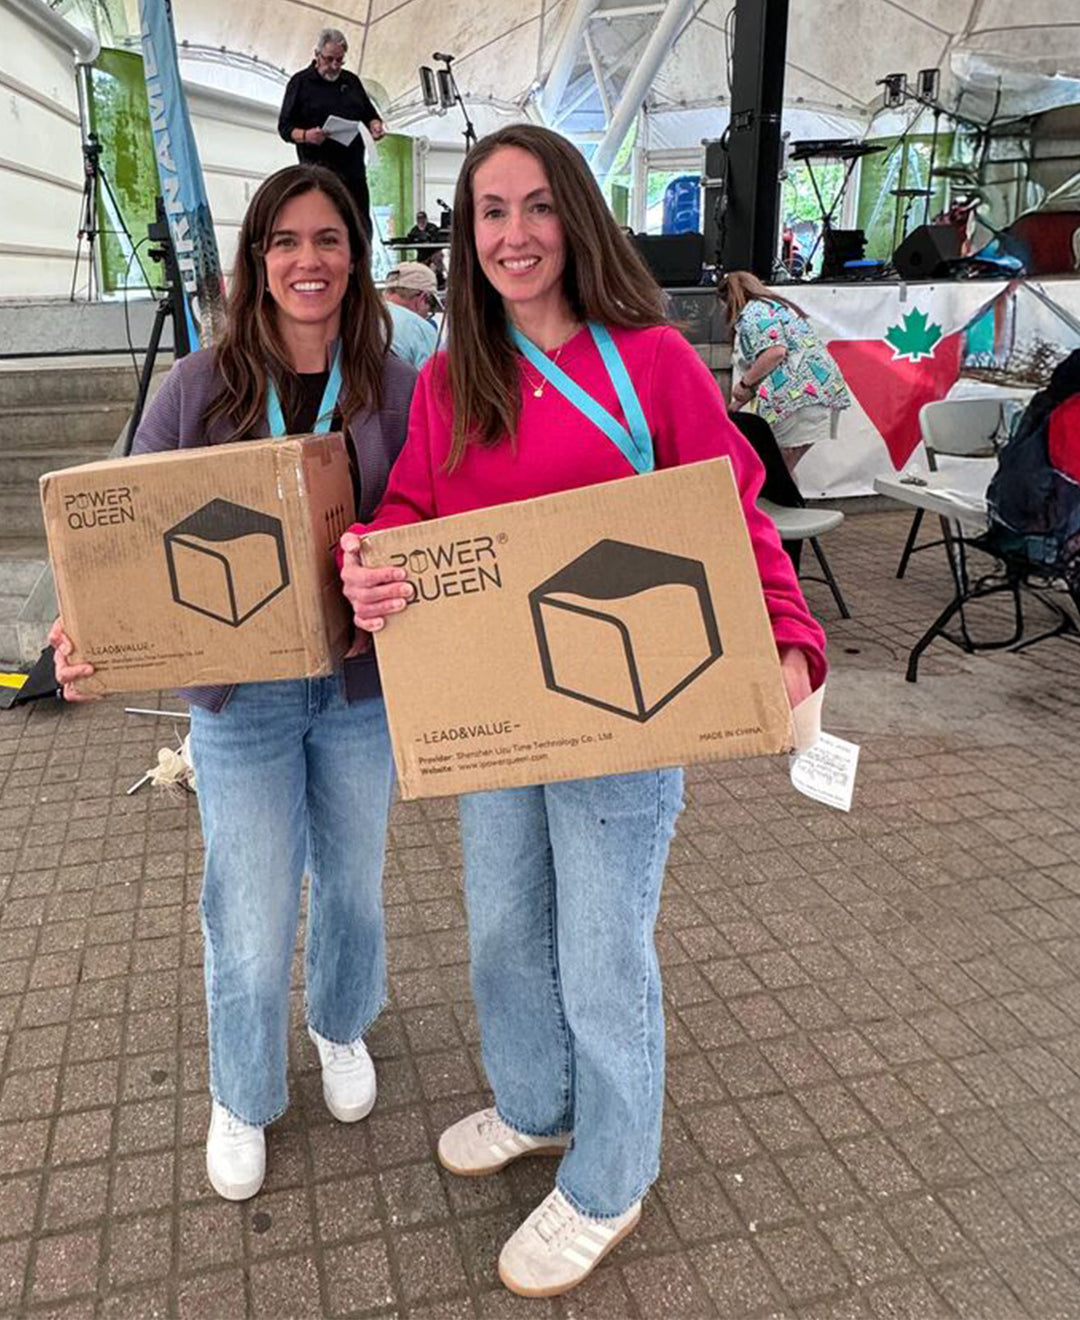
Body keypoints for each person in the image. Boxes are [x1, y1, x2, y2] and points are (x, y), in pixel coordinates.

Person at [339, 124, 827, 1297]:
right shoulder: (457, 377)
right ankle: (538, 1102)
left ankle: (611, 1176)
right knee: (505, 929)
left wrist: (790, 635)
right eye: (490, 212)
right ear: (468, 235)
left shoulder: (652, 362)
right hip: (502, 709)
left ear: (577, 219)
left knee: (605, 953)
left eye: (537, 206)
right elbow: (412, 507)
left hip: (629, 709)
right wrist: (372, 558)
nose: (513, 234)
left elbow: (732, 508)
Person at [51, 164, 416, 1204]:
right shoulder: (195, 389)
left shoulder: (396, 385)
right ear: (256, 260)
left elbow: (430, 513)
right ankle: (243, 1091)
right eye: (285, 241)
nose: (309, 260)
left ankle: (339, 1023)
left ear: (356, 257)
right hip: (239, 700)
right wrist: (82, 632)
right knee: (249, 911)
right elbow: (118, 540)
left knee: (352, 888)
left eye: (329, 239)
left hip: (359, 691)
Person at [723, 270, 850, 471]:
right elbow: (767, 367)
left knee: (778, 468)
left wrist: (744, 384)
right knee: (781, 468)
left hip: (797, 397)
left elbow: (775, 352)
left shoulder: (752, 314)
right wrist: (734, 406)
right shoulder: (774, 308)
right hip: (819, 391)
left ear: (728, 299)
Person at [278, 27, 386, 235]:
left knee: (360, 227)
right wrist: (306, 135)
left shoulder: (351, 81)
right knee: (326, 226)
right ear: (317, 55)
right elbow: (284, 128)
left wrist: (375, 125)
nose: (334, 66)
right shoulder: (300, 83)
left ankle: (362, 256)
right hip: (318, 173)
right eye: (329, 59)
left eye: (340, 60)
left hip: (353, 173)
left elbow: (370, 114)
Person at [382, 261, 441, 369]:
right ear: (424, 297)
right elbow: (431, 376)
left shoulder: (362, 317)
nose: (429, 311)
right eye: (432, 304)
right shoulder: (421, 329)